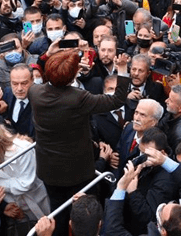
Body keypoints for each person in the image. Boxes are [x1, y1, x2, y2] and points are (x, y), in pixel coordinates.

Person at [29, 49, 129, 235]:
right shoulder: (78, 98)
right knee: (86, 216)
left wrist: (69, 72)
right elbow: (116, 100)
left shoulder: (34, 92)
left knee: (57, 213)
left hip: (49, 169)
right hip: (79, 172)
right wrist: (122, 69)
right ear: (73, 75)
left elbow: (50, 84)